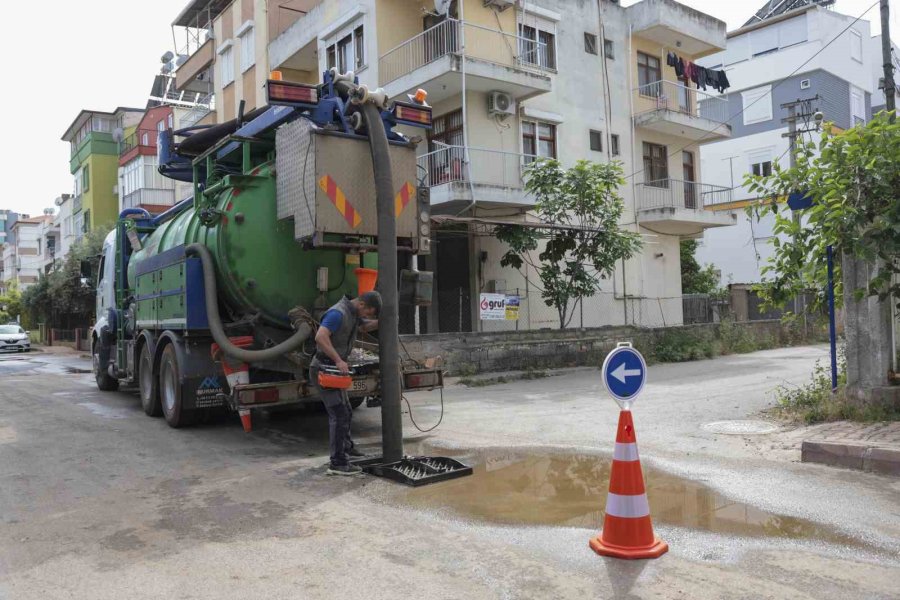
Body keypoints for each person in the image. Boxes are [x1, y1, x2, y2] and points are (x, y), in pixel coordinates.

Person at [310, 291, 381, 476]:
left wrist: (385, 321)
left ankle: (346, 449)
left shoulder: (353, 314)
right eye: (368, 313)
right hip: (324, 368)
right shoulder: (337, 313)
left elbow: (364, 327)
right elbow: (320, 336)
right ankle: (338, 463)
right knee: (339, 414)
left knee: (346, 410)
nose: (367, 317)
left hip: (334, 369)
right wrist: (338, 360)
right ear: (362, 305)